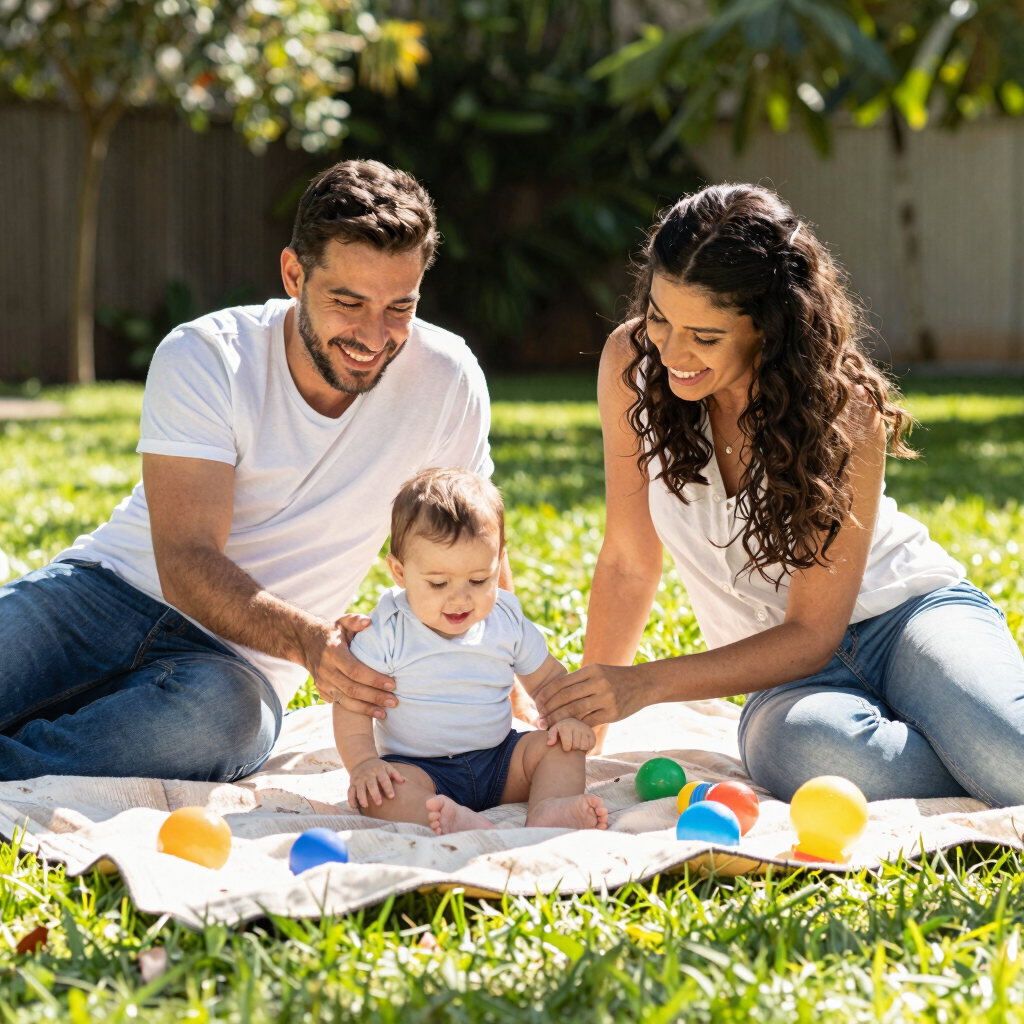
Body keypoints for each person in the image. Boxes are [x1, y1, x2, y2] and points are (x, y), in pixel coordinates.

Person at [0, 159, 503, 782]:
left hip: (236, 670)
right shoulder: (208, 354)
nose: (375, 336)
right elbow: (184, 560)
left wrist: (501, 673)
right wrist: (313, 641)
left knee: (220, 725)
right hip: (100, 596)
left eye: (400, 306)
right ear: (294, 273)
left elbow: (473, 543)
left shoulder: (448, 381)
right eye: (348, 302)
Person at [534, 183, 1024, 806]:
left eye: (705, 337)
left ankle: (982, 745)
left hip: (907, 616)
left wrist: (644, 684)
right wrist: (595, 715)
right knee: (806, 753)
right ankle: (969, 752)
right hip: (786, 680)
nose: (673, 352)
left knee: (1011, 754)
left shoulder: (843, 408)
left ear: (768, 327)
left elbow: (813, 631)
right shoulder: (631, 366)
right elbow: (630, 558)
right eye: (660, 317)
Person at [334, 467, 608, 834]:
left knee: (561, 749)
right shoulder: (386, 630)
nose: (460, 598)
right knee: (378, 793)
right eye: (438, 583)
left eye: (479, 580)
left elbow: (548, 680)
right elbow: (351, 702)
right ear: (399, 572)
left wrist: (568, 719)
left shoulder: (505, 619)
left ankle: (549, 809)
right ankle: (447, 817)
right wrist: (364, 762)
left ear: (499, 562)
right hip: (419, 770)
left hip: (501, 760)